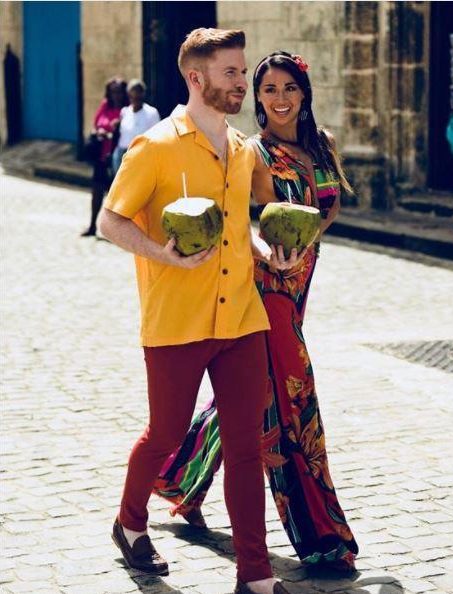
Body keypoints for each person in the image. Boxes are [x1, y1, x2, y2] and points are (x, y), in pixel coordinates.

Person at [99, 28, 299, 594]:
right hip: (176, 320)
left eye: (242, 73)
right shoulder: (156, 147)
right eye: (233, 73)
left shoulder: (241, 151)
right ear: (197, 78)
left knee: (244, 447)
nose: (244, 83)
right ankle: (130, 522)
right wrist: (160, 253)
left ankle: (255, 575)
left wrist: (269, 253)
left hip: (242, 318)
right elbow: (111, 220)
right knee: (164, 434)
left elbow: (240, 231)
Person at [154, 51, 359, 574]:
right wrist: (273, 257)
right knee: (294, 397)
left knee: (253, 398)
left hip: (299, 284)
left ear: (303, 93)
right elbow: (237, 222)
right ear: (259, 98)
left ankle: (177, 477)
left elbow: (327, 205)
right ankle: (321, 535)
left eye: (289, 87)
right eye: (269, 89)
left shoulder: (323, 145)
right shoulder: (255, 154)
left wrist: (306, 244)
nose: (281, 97)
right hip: (267, 290)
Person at [81, 77, 128, 237]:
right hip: (101, 157)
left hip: (118, 159)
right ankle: (92, 225)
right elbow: (96, 124)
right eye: (113, 92)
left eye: (119, 92)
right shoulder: (105, 106)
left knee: (118, 197)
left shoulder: (127, 111)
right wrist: (100, 132)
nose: (116, 95)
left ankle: (118, 232)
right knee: (96, 191)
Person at [112, 79, 160, 175]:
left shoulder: (152, 113)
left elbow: (157, 137)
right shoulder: (125, 111)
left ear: (143, 95)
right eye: (132, 96)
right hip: (122, 153)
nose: (135, 99)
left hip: (141, 154)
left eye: (138, 96)